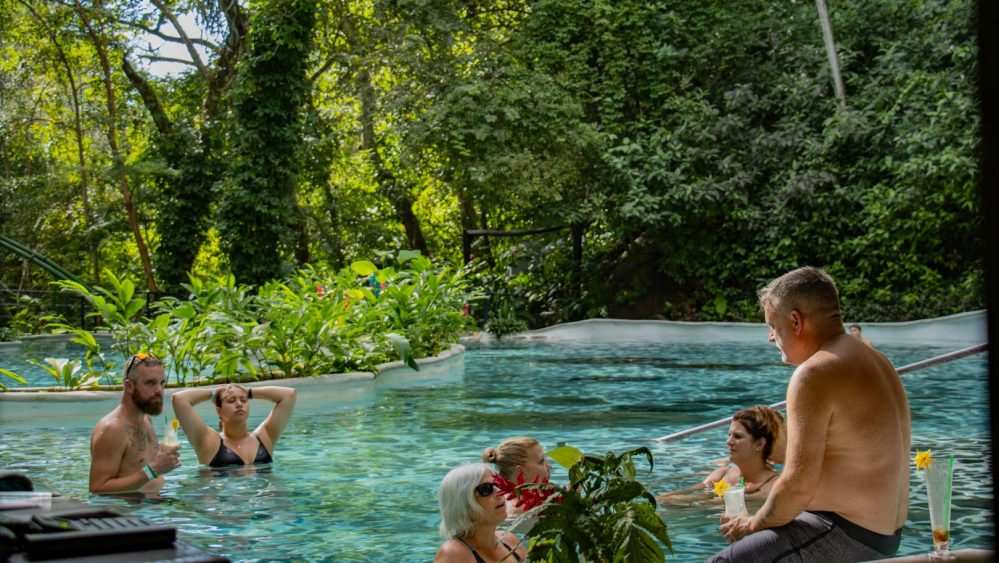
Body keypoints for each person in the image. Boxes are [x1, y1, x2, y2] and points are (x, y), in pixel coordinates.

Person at [711, 267, 910, 561]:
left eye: (772, 326)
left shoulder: (815, 373)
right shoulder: (878, 362)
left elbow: (797, 487)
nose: (770, 338)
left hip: (843, 532)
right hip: (885, 536)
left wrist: (751, 524)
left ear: (795, 321)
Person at [89, 353, 181, 493]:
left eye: (162, 383)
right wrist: (154, 469)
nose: (159, 390)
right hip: (130, 505)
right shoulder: (112, 429)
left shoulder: (146, 419)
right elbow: (98, 488)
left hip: (155, 501)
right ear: (129, 386)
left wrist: (164, 457)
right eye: (150, 383)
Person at [657, 405, 784, 506]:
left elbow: (709, 502)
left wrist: (682, 501)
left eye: (737, 436)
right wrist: (658, 499)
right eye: (729, 435)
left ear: (759, 444)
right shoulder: (722, 474)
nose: (728, 441)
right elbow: (691, 491)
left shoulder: (772, 485)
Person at [171, 383, 296, 467]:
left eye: (244, 400)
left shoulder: (264, 437)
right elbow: (179, 399)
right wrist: (214, 392)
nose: (239, 404)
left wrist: (248, 391)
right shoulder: (208, 441)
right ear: (219, 411)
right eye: (231, 401)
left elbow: (289, 395)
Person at [433, 462, 528, 563]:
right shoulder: (452, 554)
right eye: (486, 489)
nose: (499, 492)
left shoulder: (509, 540)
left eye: (497, 484)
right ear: (463, 504)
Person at [482, 436, 553, 518]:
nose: (549, 466)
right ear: (521, 472)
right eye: (541, 461)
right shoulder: (524, 510)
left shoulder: (500, 504)